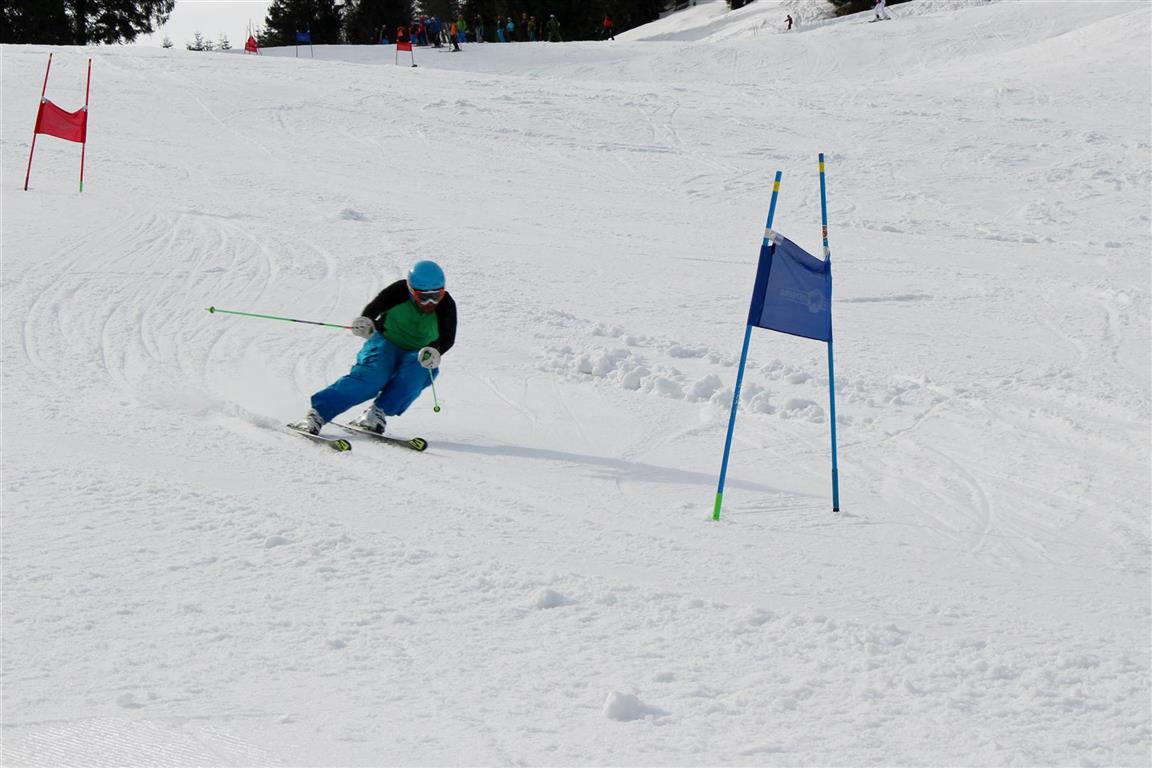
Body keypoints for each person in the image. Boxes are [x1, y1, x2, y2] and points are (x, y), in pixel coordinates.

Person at [291, 260, 457, 435]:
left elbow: (448, 337)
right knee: (372, 377)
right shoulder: (398, 292)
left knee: (419, 372)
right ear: (411, 290)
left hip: (419, 352)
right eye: (423, 297)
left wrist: (435, 350)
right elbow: (375, 308)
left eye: (436, 295)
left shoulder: (446, 305)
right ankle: (317, 414)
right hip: (386, 343)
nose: (430, 302)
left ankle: (376, 414)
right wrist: (366, 321)